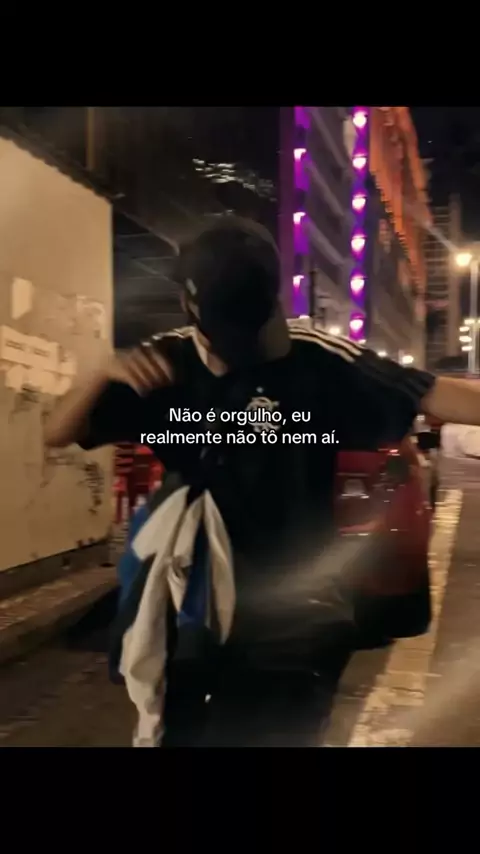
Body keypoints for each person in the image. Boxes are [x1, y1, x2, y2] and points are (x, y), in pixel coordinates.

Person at [44, 216, 480, 746]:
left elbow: (437, 394)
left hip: (293, 619)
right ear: (189, 305)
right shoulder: (162, 363)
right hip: (190, 613)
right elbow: (57, 432)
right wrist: (100, 373)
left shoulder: (315, 356)